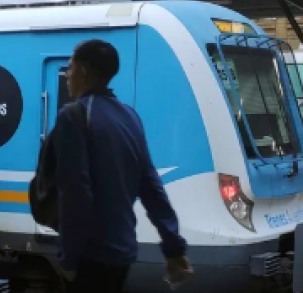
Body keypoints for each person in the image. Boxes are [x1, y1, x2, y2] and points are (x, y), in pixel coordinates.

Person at [32, 39, 192, 292]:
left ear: (83, 73)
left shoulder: (73, 117)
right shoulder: (130, 117)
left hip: (90, 256)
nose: (67, 76)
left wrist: (69, 258)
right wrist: (174, 248)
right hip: (123, 252)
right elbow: (151, 187)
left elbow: (76, 192)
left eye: (70, 68)